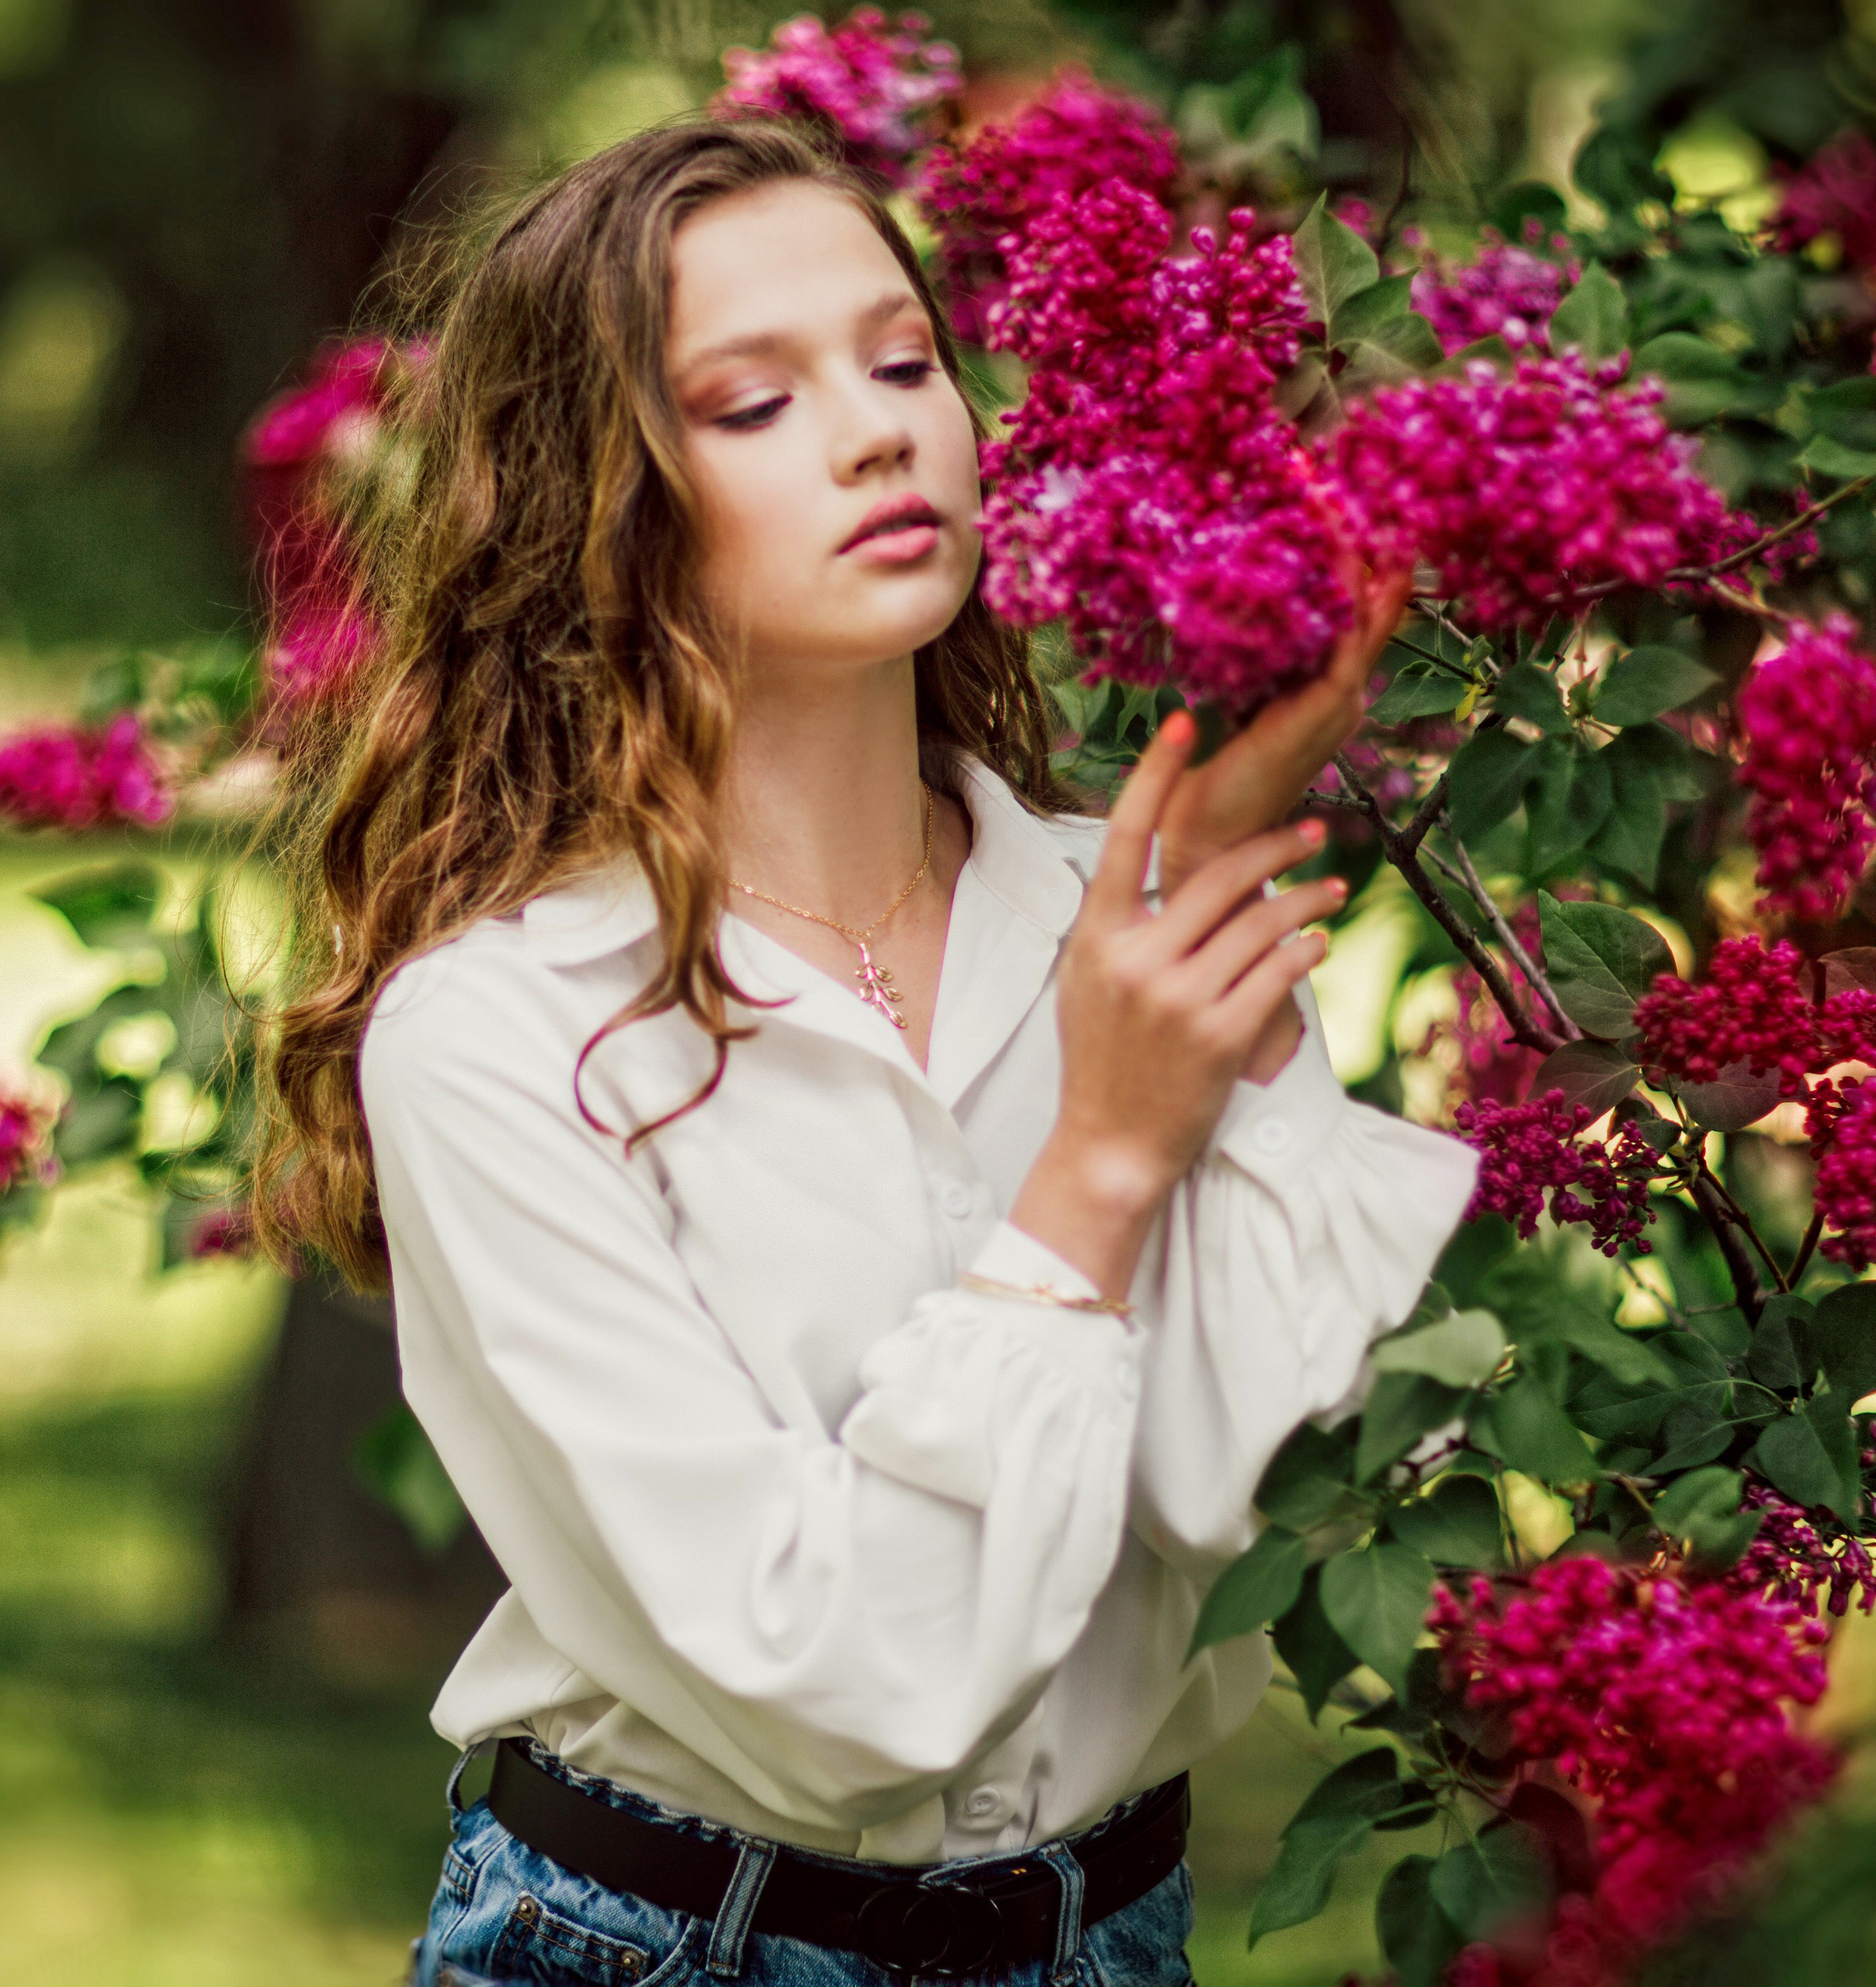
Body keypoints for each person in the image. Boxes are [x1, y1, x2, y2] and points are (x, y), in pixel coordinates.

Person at [254, 116, 1476, 1987]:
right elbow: (842, 1679)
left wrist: (1211, 888)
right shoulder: (498, 1034)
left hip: (1112, 1936)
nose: (878, 427)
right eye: (749, 403)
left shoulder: (1111, 913)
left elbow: (1258, 1497)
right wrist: (1097, 1167)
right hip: (659, 1943)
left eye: (906, 360)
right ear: (600, 497)